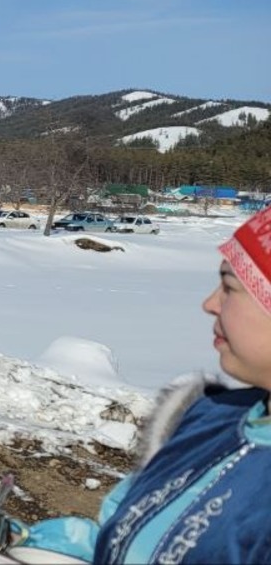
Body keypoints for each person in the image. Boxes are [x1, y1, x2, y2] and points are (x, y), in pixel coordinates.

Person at [23, 207, 271, 564]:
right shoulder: (209, 419)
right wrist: (20, 546)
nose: (210, 304)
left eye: (230, 286)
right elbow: (117, 540)